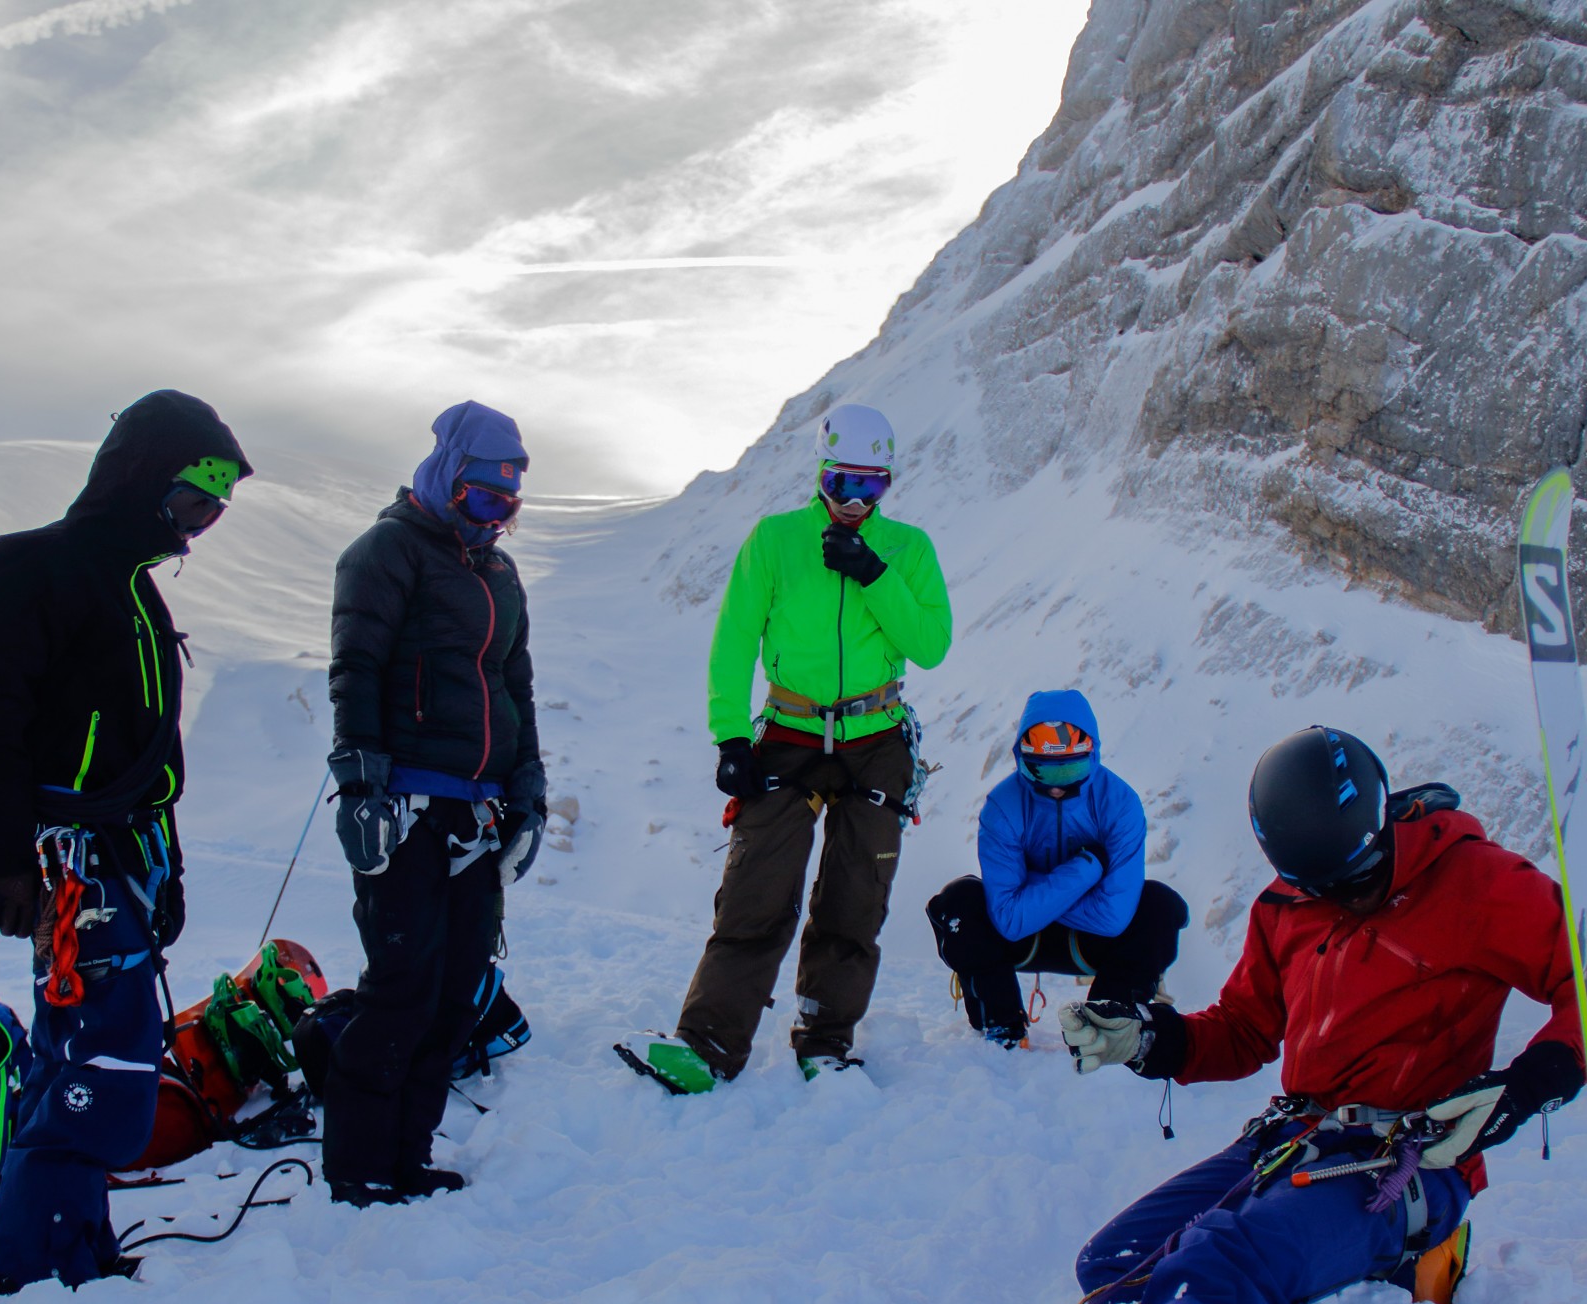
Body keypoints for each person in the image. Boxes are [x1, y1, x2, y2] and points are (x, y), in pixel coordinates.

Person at [921, 726, 1587, 1304]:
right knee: (1117, 1262)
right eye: (1322, 885)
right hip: (1300, 1134)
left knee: (1226, 1260)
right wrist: (1146, 1041)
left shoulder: (1473, 881)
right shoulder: (1289, 905)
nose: (1343, 898)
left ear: (1380, 824)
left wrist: (1524, 1088)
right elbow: (1244, 1029)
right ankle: (1346, 1271)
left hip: (1409, 1159)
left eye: (1355, 877)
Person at [0, 390, 251, 1292]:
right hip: (69, 858)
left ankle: (69, 1244)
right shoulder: (35, 568)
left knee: (89, 1052)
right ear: (142, 478)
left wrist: (171, 868)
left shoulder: (133, 588)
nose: (201, 526)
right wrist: (2, 856)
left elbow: (146, 753)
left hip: (128, 854)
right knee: (101, 1061)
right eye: (193, 500)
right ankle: (33, 1265)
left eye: (215, 510)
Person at [618, 403, 953, 1093]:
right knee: (756, 889)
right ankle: (708, 1043)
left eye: (873, 486)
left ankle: (825, 1040)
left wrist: (873, 573)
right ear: (820, 473)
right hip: (791, 732)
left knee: (856, 898)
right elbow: (734, 642)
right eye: (843, 482)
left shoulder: (909, 550)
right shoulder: (774, 540)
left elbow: (931, 642)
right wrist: (730, 736)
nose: (856, 501)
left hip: (876, 736)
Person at [323, 401, 543, 1206]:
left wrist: (529, 792)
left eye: (508, 506)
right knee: (400, 988)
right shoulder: (386, 552)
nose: (496, 518)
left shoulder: (497, 572)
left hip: (478, 810)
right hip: (408, 805)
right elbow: (356, 668)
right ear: (450, 478)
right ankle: (357, 1164)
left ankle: (406, 1155)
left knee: (457, 992)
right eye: (484, 499)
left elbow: (513, 687)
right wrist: (360, 786)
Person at [925, 690, 1188, 1047]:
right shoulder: (1003, 806)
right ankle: (1002, 1026)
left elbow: (1112, 918)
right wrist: (1087, 869)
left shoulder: (1120, 803)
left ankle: (1106, 1028)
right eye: (1041, 770)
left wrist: (1030, 892)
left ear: (1092, 756)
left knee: (1160, 906)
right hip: (1025, 936)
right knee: (958, 902)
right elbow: (1008, 920)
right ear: (1021, 759)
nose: (1057, 786)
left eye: (1070, 768)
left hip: (1083, 933)